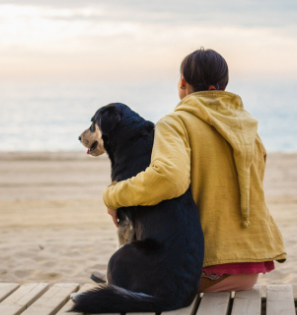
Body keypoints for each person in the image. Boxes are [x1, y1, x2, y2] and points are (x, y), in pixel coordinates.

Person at [102, 48, 286, 293]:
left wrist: (112, 195)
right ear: (222, 86)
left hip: (201, 268)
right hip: (248, 272)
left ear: (182, 82)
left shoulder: (175, 122)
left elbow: (167, 179)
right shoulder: (248, 127)